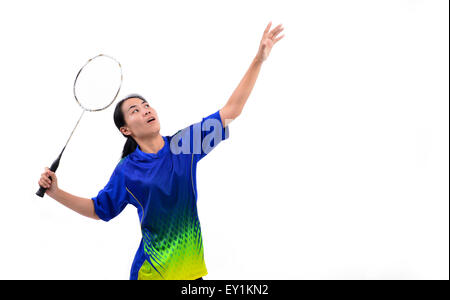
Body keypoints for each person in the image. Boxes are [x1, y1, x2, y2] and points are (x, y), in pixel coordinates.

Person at [37, 22, 285, 280]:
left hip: (191, 273)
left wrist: (259, 59)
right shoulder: (127, 171)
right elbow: (100, 209)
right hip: (152, 274)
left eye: (146, 106)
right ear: (125, 130)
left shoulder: (183, 146)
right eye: (135, 111)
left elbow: (230, 112)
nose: (145, 110)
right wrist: (54, 192)